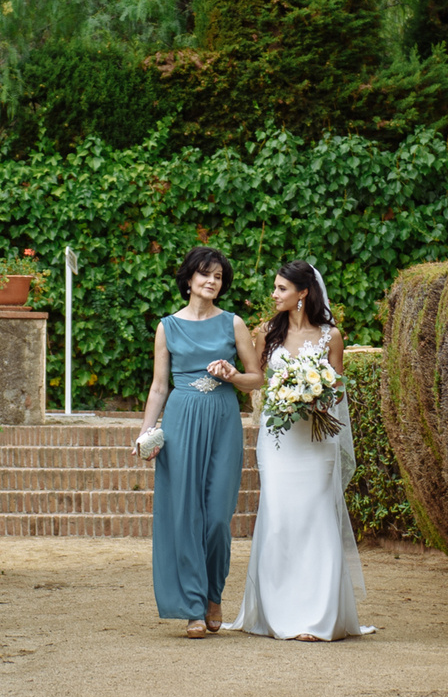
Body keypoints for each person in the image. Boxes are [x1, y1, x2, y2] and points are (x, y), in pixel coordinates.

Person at [224, 260, 372, 641]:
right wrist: (234, 377)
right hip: (278, 443)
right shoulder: (266, 333)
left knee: (316, 518)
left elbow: (338, 387)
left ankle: (316, 617)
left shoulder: (330, 336)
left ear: (302, 292)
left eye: (281, 289)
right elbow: (257, 380)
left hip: (316, 442)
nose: (274, 294)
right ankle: (277, 614)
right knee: (281, 517)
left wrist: (317, 394)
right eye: (274, 288)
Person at [137, 245, 258, 638]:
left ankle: (213, 594)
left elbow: (256, 378)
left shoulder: (234, 324)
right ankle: (192, 606)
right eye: (205, 274)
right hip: (181, 419)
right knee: (184, 512)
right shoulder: (167, 326)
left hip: (223, 417)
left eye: (218, 277)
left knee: (218, 518)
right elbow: (158, 387)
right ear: (189, 279)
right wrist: (145, 431)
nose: (212, 281)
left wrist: (233, 375)